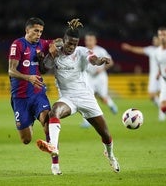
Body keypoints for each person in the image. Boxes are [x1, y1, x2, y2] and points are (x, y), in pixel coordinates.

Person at [36, 19, 120, 174]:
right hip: (67, 98)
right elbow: (43, 69)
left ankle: (110, 154)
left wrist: (101, 60)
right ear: (64, 39)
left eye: (74, 44)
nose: (71, 47)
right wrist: (48, 56)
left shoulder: (82, 51)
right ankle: (53, 151)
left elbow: (93, 60)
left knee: (106, 135)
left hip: (86, 98)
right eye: (69, 43)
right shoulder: (56, 52)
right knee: (54, 111)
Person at [8, 17, 59, 173]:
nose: (38, 34)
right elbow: (11, 71)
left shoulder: (42, 44)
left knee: (48, 121)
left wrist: (53, 45)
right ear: (27, 30)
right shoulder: (18, 44)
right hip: (20, 97)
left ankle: (55, 162)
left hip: (38, 94)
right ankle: (29, 122)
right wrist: (28, 78)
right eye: (36, 31)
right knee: (26, 140)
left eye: (41, 31)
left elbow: (58, 41)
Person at [121, 36, 166, 121]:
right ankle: (163, 109)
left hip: (163, 76)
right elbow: (140, 50)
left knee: (161, 95)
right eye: (153, 40)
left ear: (160, 40)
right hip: (153, 76)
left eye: (155, 40)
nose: (154, 41)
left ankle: (162, 113)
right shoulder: (151, 50)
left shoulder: (165, 50)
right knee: (151, 96)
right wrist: (130, 48)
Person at [81, 32, 118, 128]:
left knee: (103, 97)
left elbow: (111, 62)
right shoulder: (82, 51)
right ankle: (86, 121)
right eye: (87, 40)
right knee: (88, 97)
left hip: (100, 76)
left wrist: (101, 69)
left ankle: (111, 104)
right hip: (89, 77)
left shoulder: (101, 51)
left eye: (91, 40)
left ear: (95, 41)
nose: (89, 42)